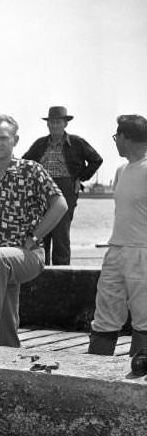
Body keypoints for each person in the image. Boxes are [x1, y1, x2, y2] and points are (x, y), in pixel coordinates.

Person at [0, 114, 67, 350]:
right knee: (7, 320)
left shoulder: (32, 170)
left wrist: (35, 237)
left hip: (28, 254)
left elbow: (60, 205)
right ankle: (8, 352)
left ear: (15, 140)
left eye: (3, 137)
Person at [88, 114, 147, 358]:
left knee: (144, 317)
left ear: (126, 137)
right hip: (116, 249)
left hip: (142, 251)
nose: (115, 142)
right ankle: (94, 368)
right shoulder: (122, 170)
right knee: (104, 315)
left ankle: (139, 371)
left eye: (116, 137)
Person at [22, 106, 103, 265]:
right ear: (47, 124)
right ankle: (40, 273)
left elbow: (96, 160)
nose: (54, 126)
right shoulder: (40, 144)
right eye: (51, 122)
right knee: (40, 232)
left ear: (65, 124)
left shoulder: (77, 143)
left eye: (58, 122)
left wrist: (80, 178)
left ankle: (62, 275)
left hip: (66, 189)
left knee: (61, 234)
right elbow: (25, 163)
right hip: (41, 191)